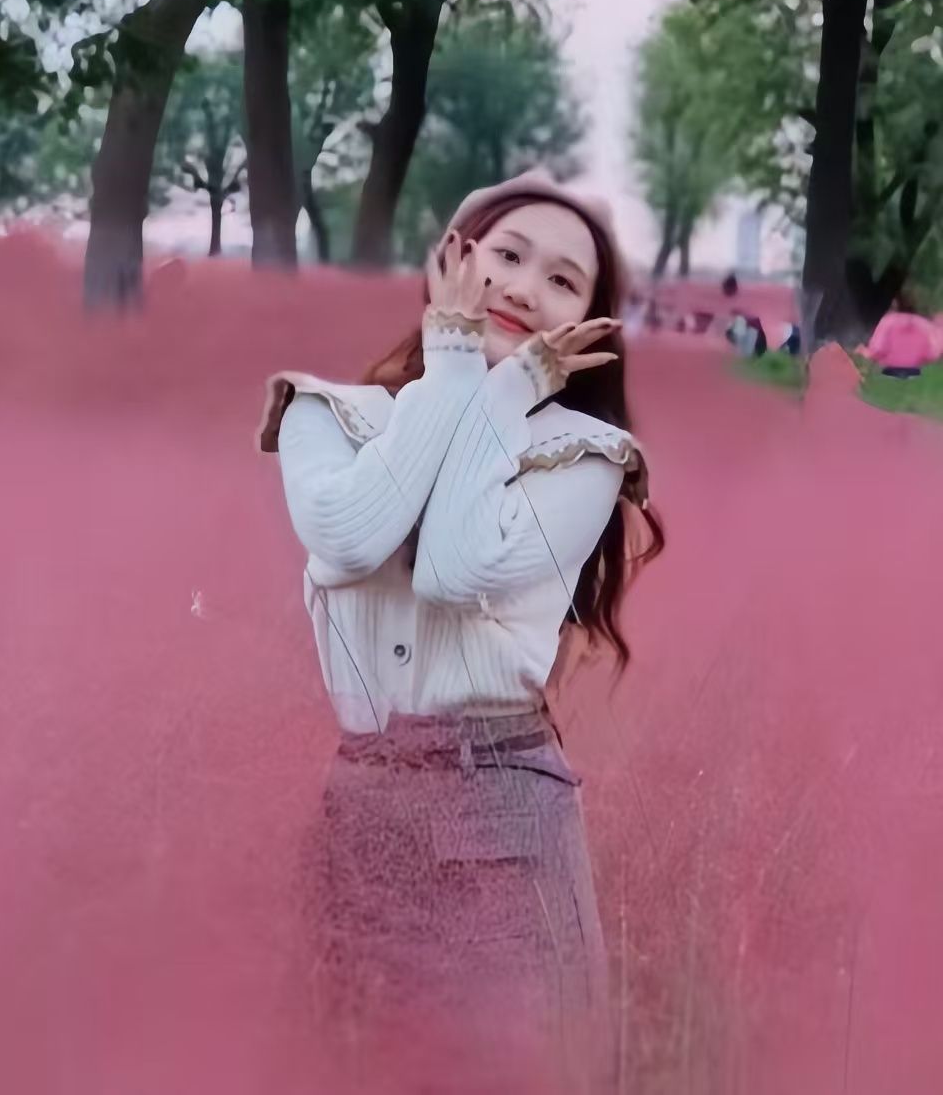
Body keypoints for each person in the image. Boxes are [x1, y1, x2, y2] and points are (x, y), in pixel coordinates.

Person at [257, 171, 664, 1092]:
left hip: (506, 814)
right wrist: (452, 367)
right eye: (508, 255)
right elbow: (352, 537)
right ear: (453, 257)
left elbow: (452, 567)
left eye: (563, 281)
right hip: (361, 808)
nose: (524, 288)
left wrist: (506, 390)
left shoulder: (586, 457)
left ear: (588, 324)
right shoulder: (331, 415)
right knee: (345, 1067)